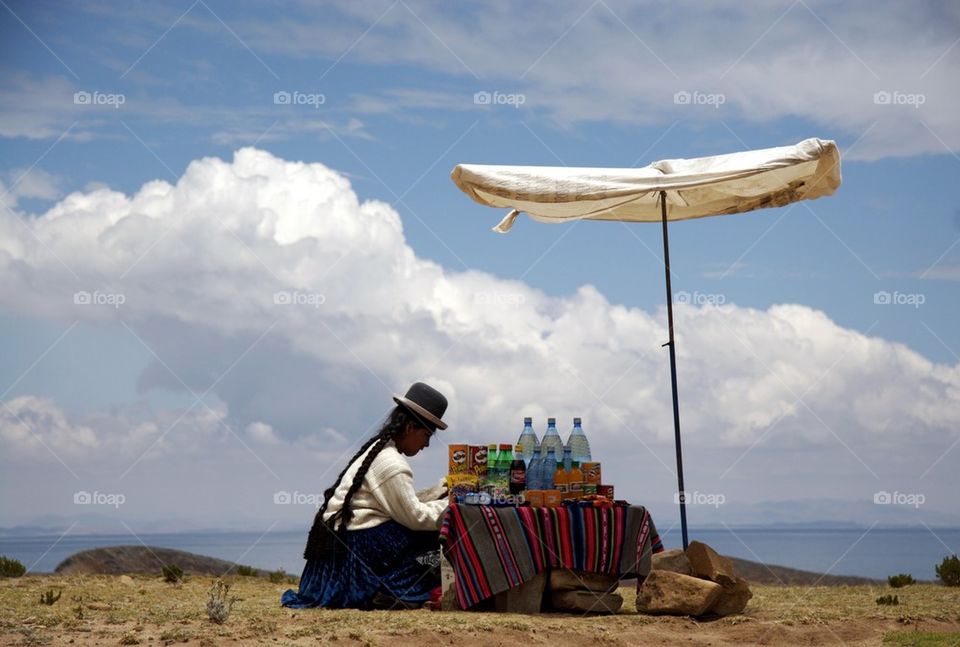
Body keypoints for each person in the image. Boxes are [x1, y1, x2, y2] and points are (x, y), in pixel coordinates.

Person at [280, 382, 451, 610]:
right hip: (359, 546)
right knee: (435, 543)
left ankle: (386, 588)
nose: (427, 444)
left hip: (342, 542)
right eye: (426, 435)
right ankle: (386, 588)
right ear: (410, 427)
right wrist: (451, 505)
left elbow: (396, 501)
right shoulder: (392, 464)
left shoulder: (378, 452)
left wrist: (437, 493)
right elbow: (415, 516)